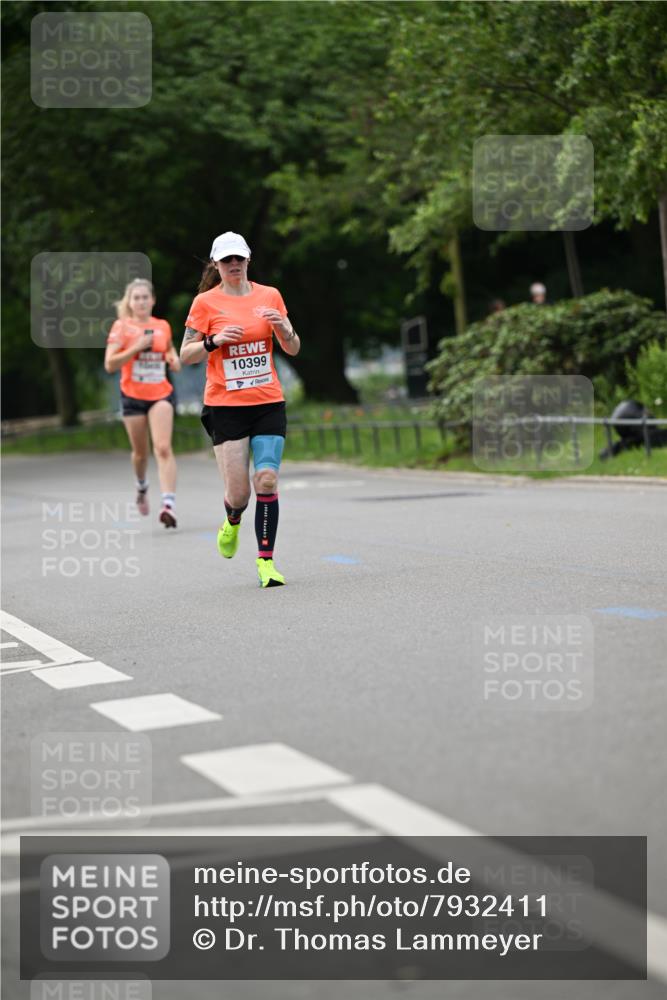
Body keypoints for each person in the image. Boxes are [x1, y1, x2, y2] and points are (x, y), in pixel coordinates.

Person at [180, 231, 300, 587]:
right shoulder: (205, 303)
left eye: (239, 258)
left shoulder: (270, 295)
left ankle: (266, 563)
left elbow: (293, 347)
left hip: (268, 402)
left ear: (248, 260)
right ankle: (232, 520)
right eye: (226, 260)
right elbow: (185, 355)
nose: (234, 264)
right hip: (226, 407)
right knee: (239, 495)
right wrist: (213, 341)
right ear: (216, 265)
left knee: (267, 479)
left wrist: (283, 329)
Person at [104, 278, 181, 528]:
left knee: (163, 448)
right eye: (136, 298)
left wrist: (173, 359)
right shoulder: (122, 327)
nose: (141, 302)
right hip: (133, 396)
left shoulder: (162, 326)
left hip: (160, 393)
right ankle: (141, 485)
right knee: (140, 454)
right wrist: (135, 348)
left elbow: (169, 349)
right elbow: (110, 364)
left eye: (145, 297)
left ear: (153, 300)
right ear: (130, 302)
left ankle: (168, 505)